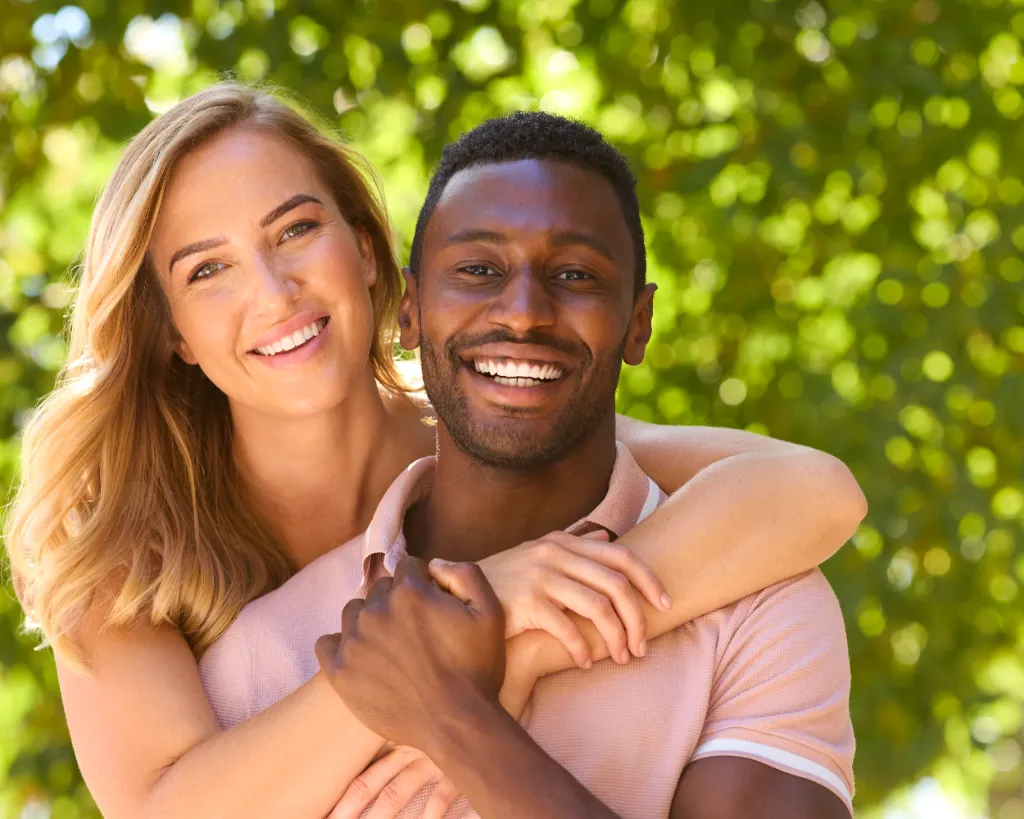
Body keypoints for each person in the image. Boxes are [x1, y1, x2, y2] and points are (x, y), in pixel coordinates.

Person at [3, 85, 864, 819]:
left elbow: (810, 492)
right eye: (206, 270)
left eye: (295, 231)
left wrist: (518, 639)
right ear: (173, 334)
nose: (274, 293)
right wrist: (479, 616)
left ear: (369, 252)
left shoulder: (477, 429)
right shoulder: (123, 550)